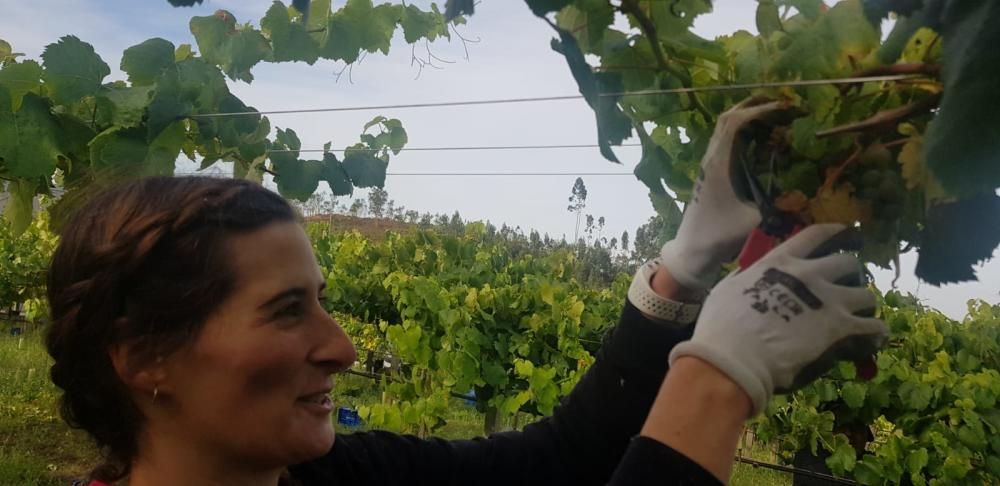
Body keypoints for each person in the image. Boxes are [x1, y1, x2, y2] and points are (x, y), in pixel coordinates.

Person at [45, 99, 887, 486]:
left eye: (322, 300)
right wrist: (713, 380)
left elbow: (555, 464)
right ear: (144, 359)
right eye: (285, 310)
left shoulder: (335, 474)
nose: (341, 347)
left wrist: (681, 273)